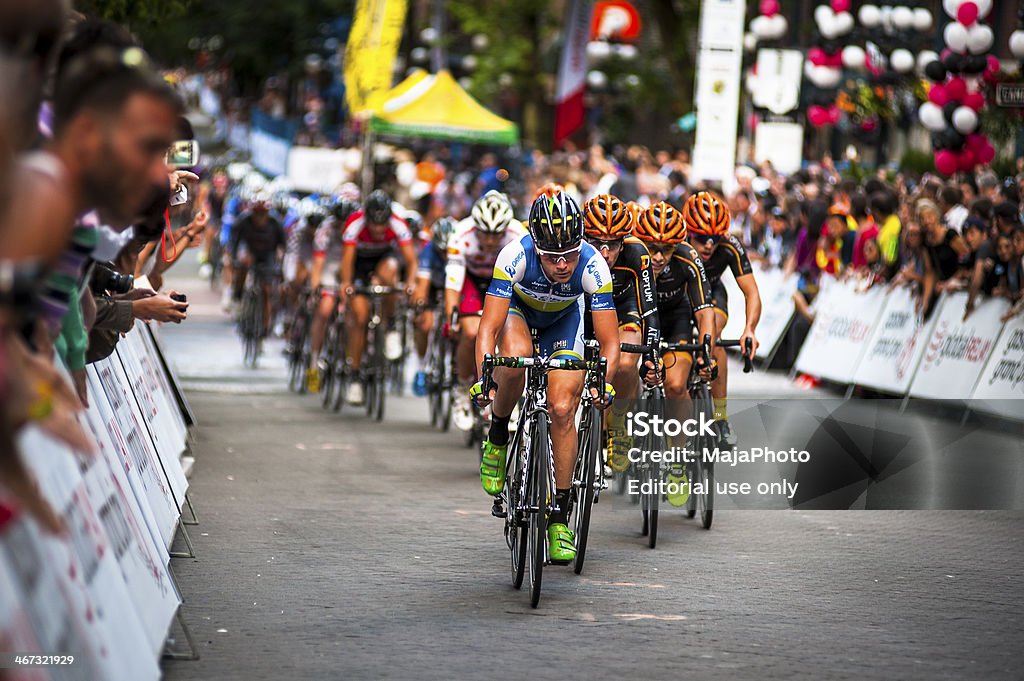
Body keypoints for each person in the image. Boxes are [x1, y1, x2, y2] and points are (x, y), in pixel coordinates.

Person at [471, 191, 619, 563]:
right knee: (515, 358)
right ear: (536, 246)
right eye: (552, 257)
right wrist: (484, 376)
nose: (563, 265)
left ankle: (558, 516)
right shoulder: (514, 255)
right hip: (520, 314)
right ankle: (499, 434)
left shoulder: (593, 264)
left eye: (570, 254)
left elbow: (610, 341)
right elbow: (488, 328)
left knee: (563, 407)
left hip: (565, 323)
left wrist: (605, 382)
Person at [631, 201, 717, 504]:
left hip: (676, 320)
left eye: (665, 249)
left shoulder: (688, 258)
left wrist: (708, 351)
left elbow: (704, 311)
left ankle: (678, 460)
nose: (657, 256)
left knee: (677, 384)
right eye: (652, 247)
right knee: (624, 369)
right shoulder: (629, 253)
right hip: (637, 319)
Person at [581, 195, 663, 469]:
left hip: (622, 309)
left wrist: (652, 353)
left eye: (613, 244)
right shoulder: (574, 253)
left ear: (623, 242)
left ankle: (618, 424)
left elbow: (649, 309)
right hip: (584, 310)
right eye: (597, 244)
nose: (605, 253)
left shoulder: (638, 253)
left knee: (627, 362)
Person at [683, 191, 760, 447]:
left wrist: (750, 329)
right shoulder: (677, 241)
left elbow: (752, 292)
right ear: (688, 232)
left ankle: (720, 417)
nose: (708, 245)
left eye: (714, 239)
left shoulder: (730, 245)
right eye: (702, 238)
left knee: (712, 339)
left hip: (713, 293)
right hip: (680, 297)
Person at [445, 191, 526, 429]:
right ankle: (461, 387)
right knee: (470, 332)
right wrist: (453, 317)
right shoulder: (461, 234)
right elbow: (453, 282)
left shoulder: (518, 235)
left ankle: (506, 393)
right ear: (475, 228)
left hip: (504, 284)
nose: (490, 242)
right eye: (485, 235)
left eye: (496, 235)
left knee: (509, 335)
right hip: (472, 281)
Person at [337, 189, 418, 405]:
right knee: (361, 318)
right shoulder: (355, 224)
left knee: (390, 273)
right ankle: (355, 377)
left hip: (384, 261)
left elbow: (411, 261)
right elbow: (346, 261)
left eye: (383, 224)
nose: (379, 229)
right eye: (374, 224)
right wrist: (346, 284)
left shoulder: (398, 224)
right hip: (359, 266)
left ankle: (390, 325)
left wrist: (410, 282)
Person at [305, 199, 358, 392]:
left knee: (357, 310)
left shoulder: (357, 228)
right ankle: (313, 363)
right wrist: (316, 287)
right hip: (329, 268)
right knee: (325, 310)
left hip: (350, 270)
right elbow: (318, 264)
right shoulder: (325, 229)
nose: (343, 226)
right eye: (339, 223)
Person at [229, 193, 285, 337]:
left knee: (267, 290)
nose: (260, 218)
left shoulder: (275, 223)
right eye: (256, 214)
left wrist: (280, 267)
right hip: (251, 253)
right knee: (242, 265)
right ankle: (238, 295)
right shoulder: (244, 221)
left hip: (268, 255)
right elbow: (234, 243)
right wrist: (235, 260)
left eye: (263, 214)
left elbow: (283, 246)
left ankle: (265, 325)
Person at [411, 216, 456, 396]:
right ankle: (421, 367)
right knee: (425, 324)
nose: (445, 255)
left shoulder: (460, 250)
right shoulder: (428, 251)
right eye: (441, 251)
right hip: (432, 286)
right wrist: (420, 307)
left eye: (448, 251)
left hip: (452, 286)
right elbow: (422, 285)